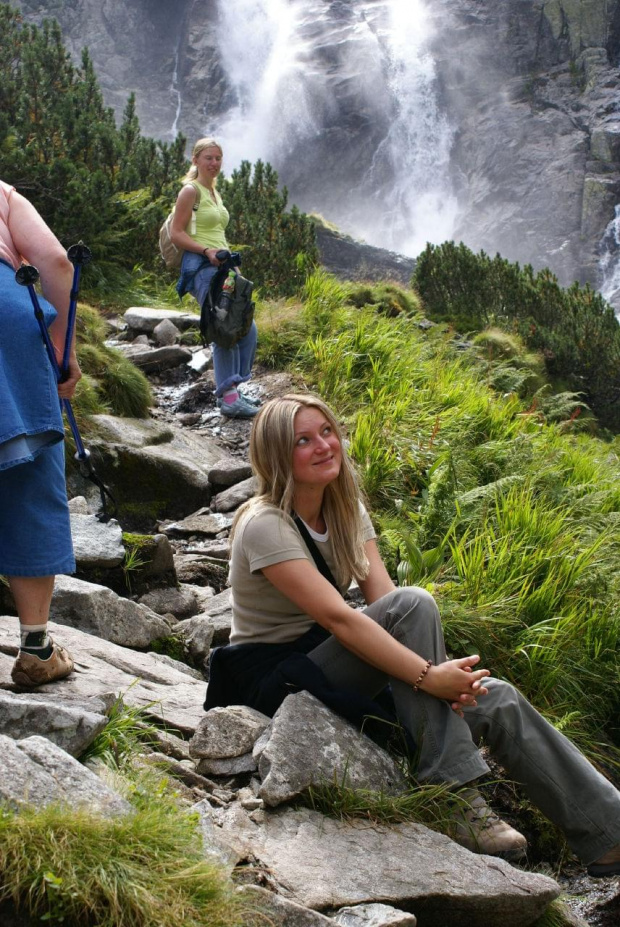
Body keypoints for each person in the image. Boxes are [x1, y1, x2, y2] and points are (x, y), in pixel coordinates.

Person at [214, 392, 620, 875]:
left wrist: (438, 682)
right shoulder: (265, 524)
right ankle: (454, 794)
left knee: (497, 698)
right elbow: (342, 619)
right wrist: (430, 677)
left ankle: (608, 835)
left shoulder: (344, 507)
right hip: (278, 679)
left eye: (327, 431)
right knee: (416, 603)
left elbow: (383, 602)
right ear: (277, 455)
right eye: (304, 440)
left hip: (337, 665)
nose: (324, 445)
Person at [0, 180, 80, 686]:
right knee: (28, 477)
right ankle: (36, 647)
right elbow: (56, 262)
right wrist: (60, 352)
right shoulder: (3, 194)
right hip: (9, 322)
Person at [172, 137, 258, 419]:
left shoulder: (215, 194)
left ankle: (235, 387)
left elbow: (217, 233)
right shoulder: (190, 191)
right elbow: (177, 233)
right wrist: (206, 250)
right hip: (200, 266)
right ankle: (228, 397)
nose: (214, 163)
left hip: (224, 267)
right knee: (224, 326)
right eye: (208, 158)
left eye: (218, 158)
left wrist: (233, 268)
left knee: (246, 326)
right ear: (195, 160)